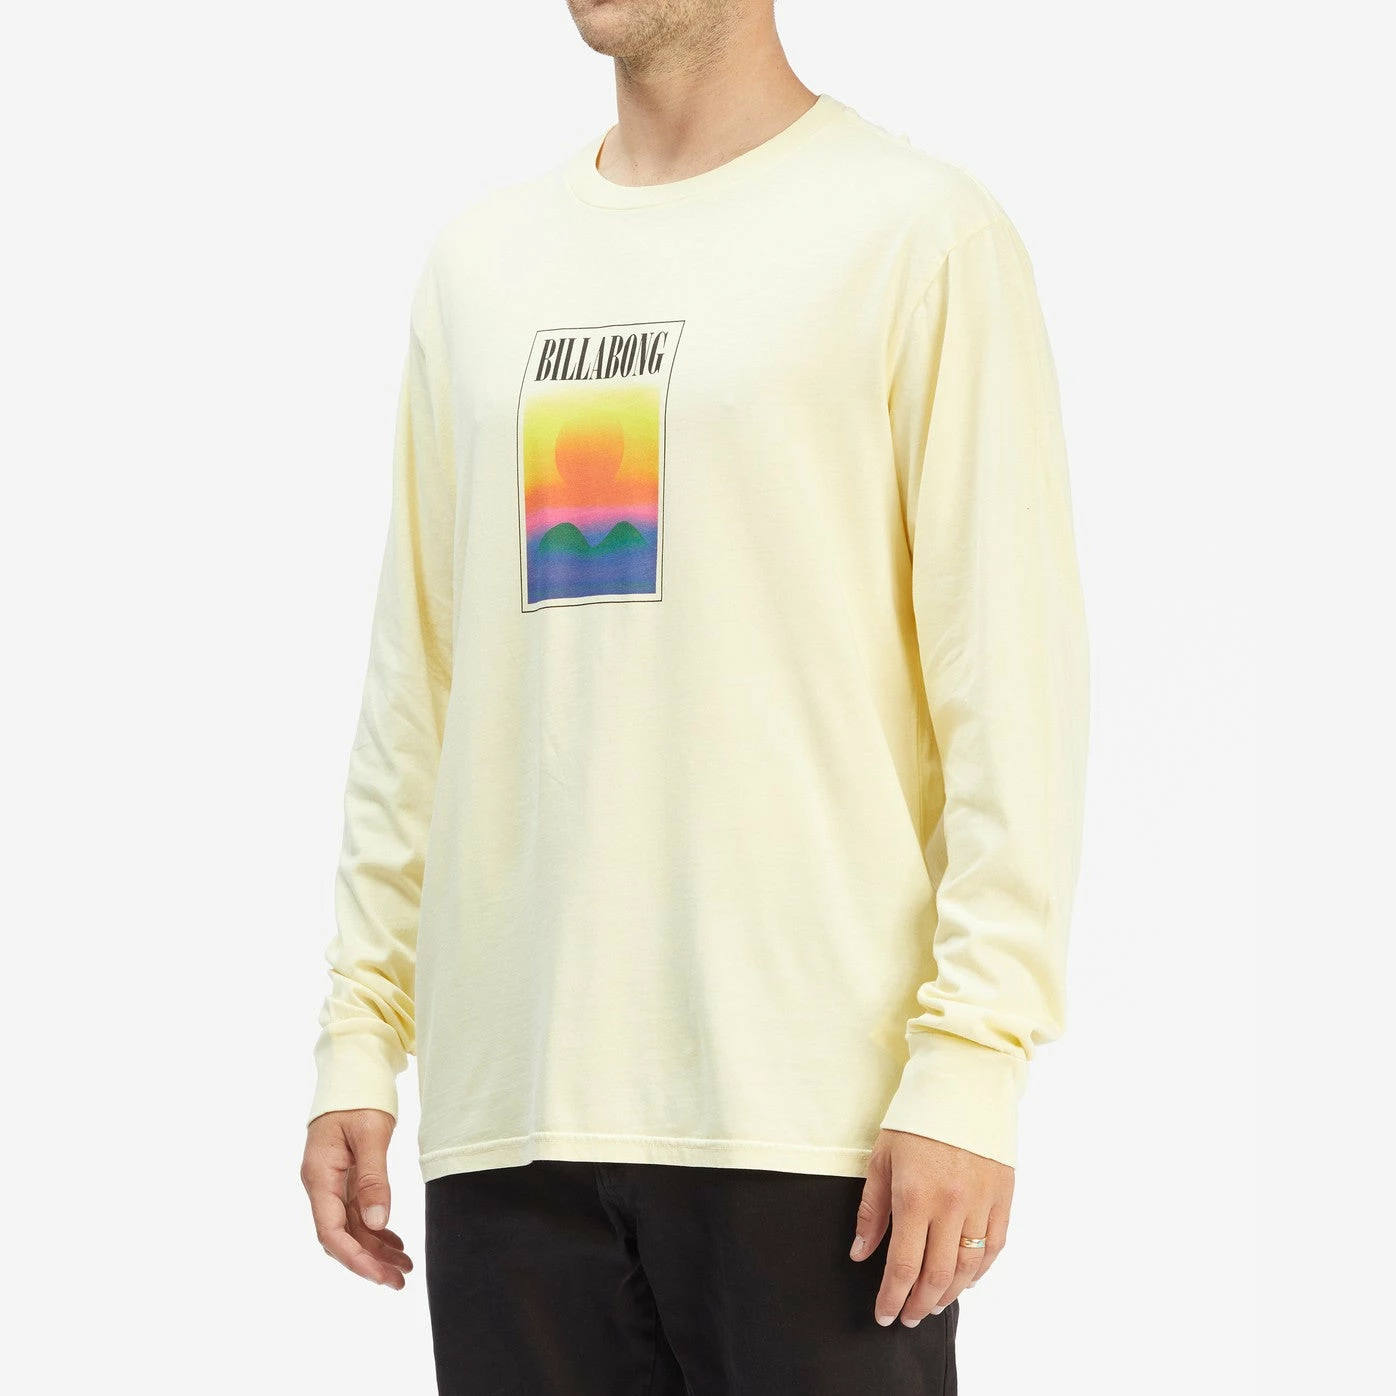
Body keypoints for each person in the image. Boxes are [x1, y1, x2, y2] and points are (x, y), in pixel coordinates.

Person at [300, 2, 1090, 1391]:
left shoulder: (918, 236)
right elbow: (415, 689)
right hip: (512, 1124)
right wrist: (360, 1036)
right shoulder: (480, 267)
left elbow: (1010, 689)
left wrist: (973, 1060)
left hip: (813, 1125)